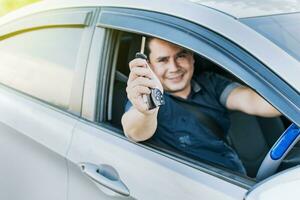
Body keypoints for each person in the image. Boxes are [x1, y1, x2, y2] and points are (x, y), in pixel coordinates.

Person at [121, 37, 281, 174]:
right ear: (150, 66)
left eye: (181, 56)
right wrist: (148, 111)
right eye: (163, 60)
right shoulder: (148, 98)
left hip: (236, 177)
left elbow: (253, 101)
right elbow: (134, 130)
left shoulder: (210, 82)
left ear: (192, 57)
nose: (174, 68)